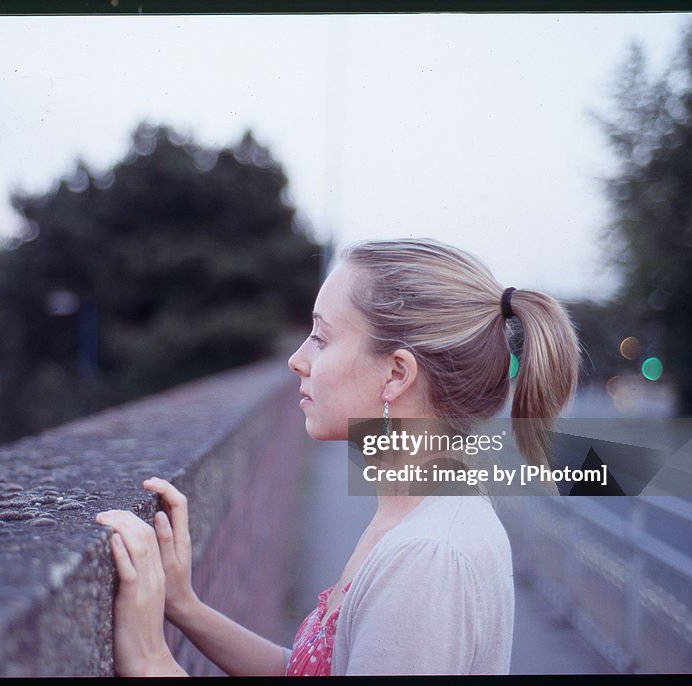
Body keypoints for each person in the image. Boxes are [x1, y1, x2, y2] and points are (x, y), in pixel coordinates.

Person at [96, 238, 580, 676]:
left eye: (322, 338)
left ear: (395, 374)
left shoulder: (427, 559)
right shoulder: (411, 515)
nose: (297, 358)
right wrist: (185, 607)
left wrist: (152, 662)